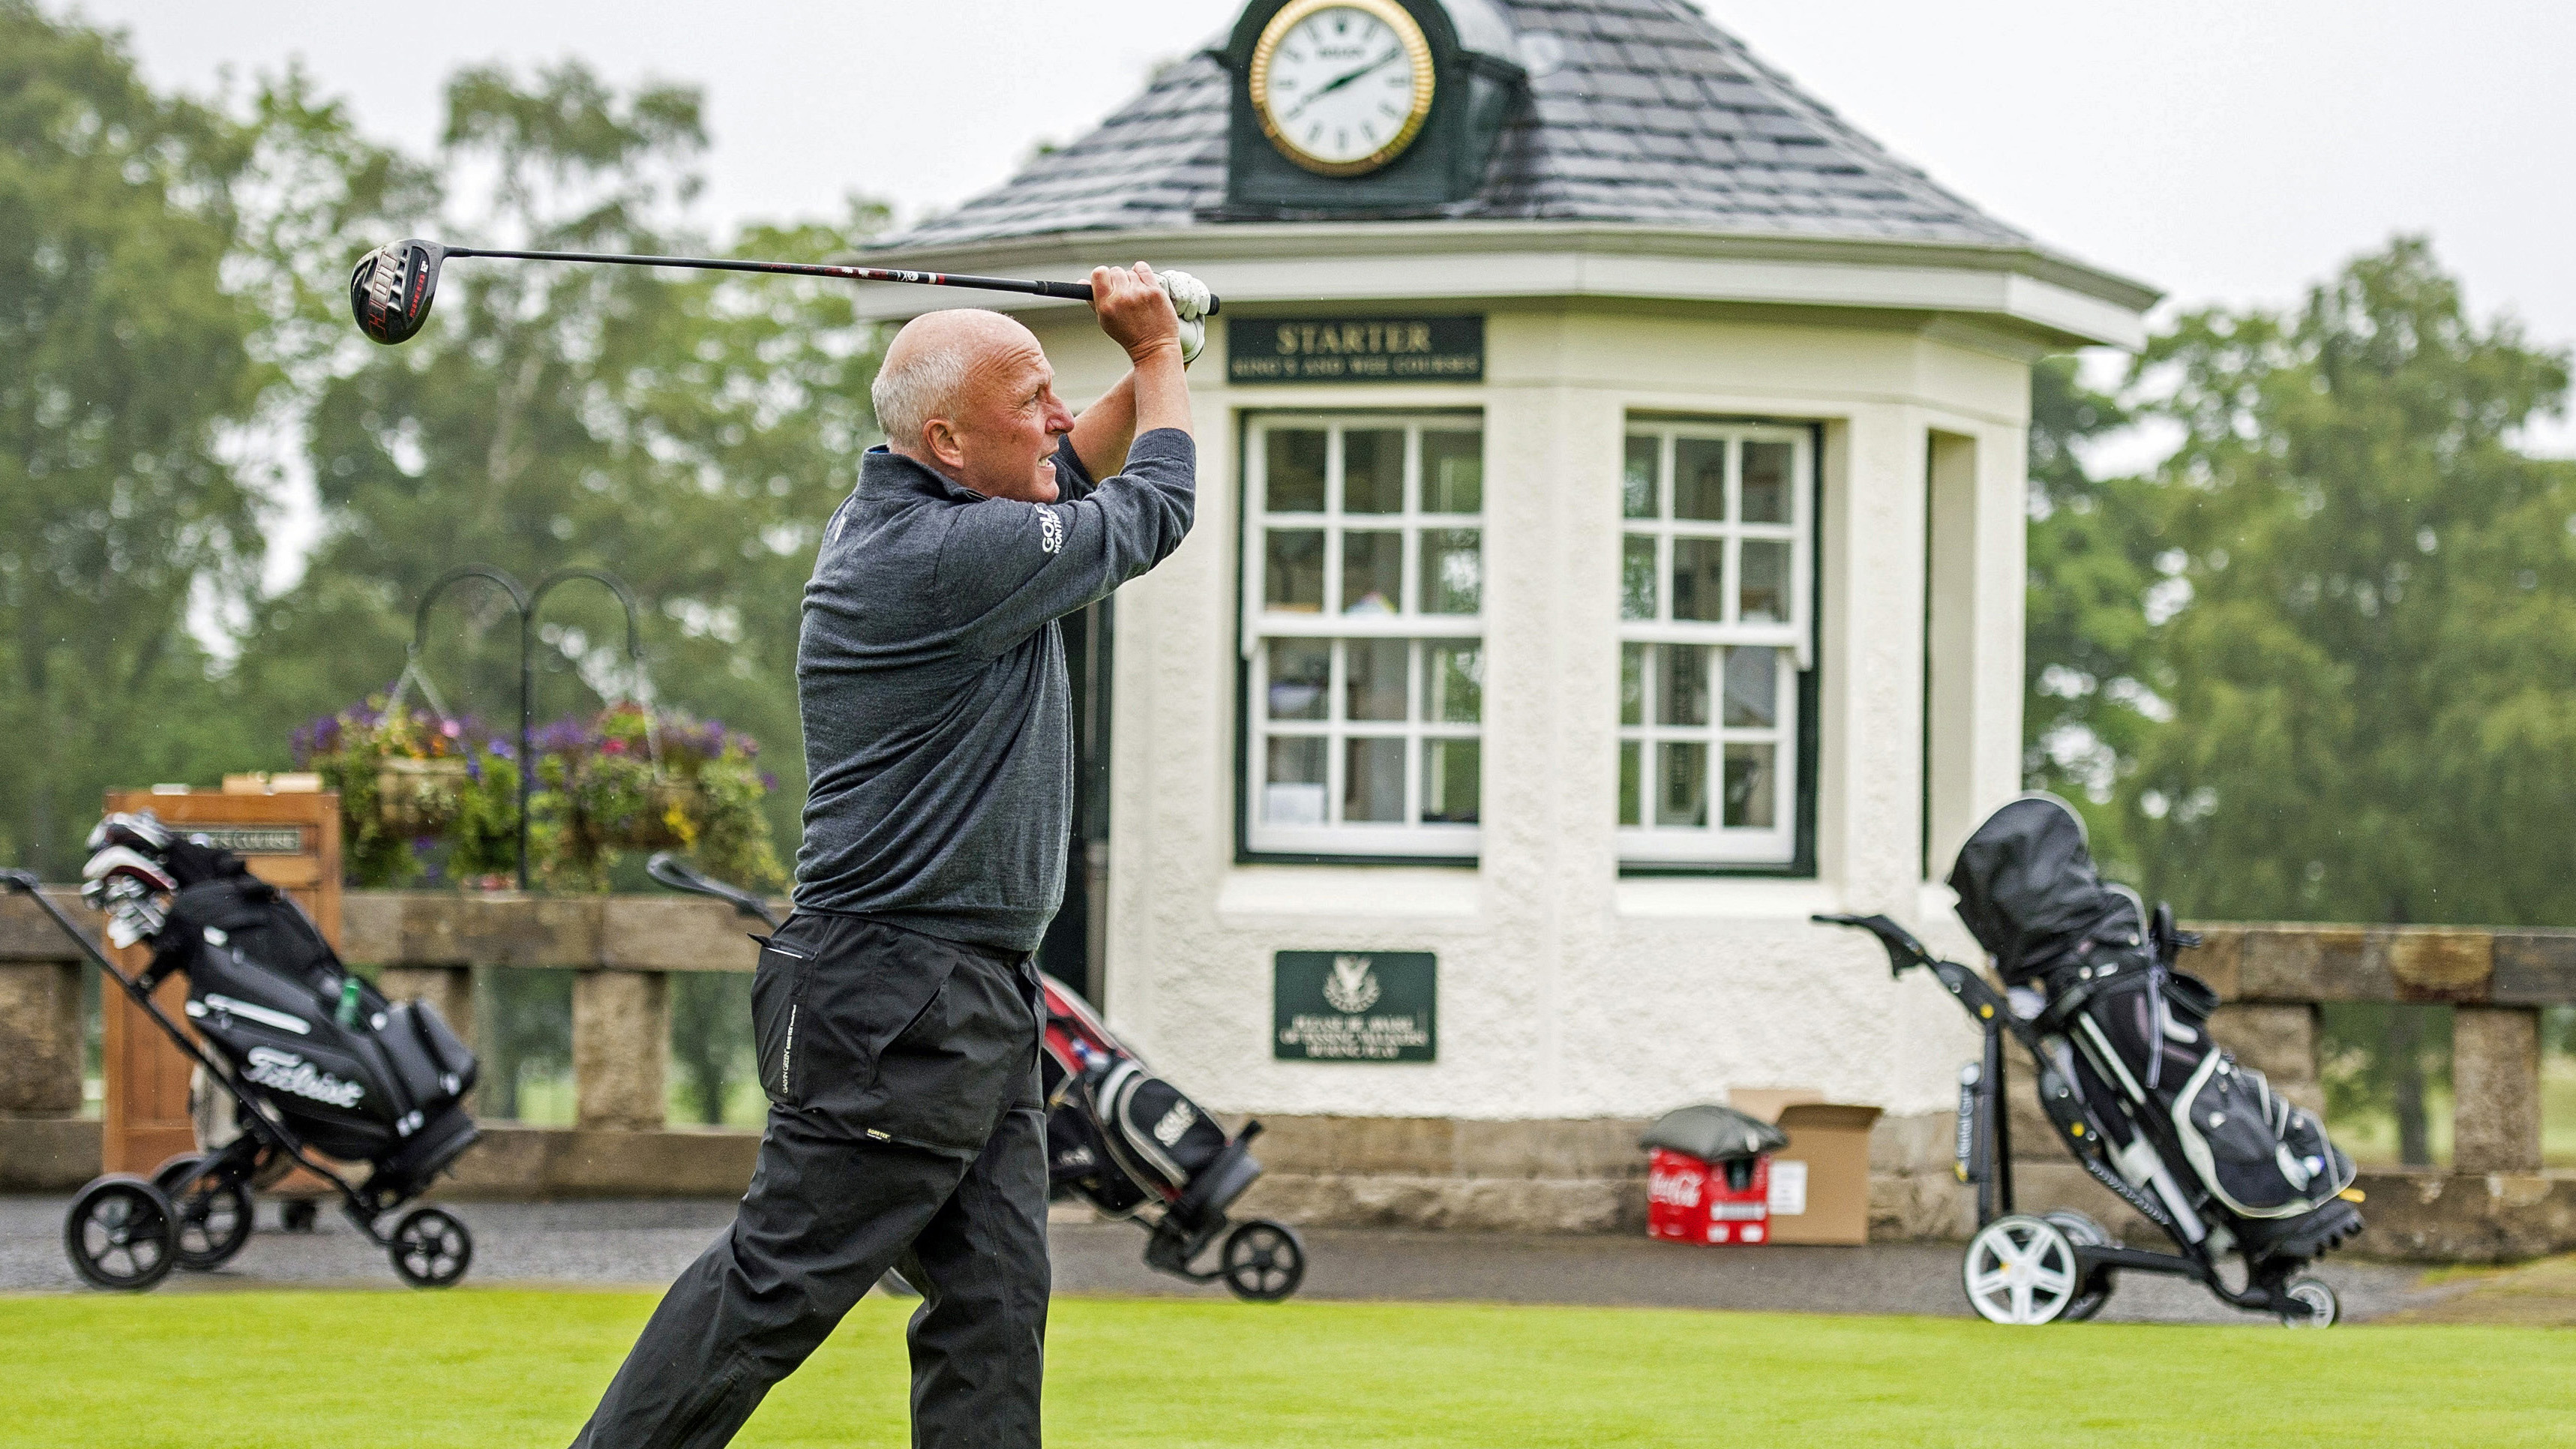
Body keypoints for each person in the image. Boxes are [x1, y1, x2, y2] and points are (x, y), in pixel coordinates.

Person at [568, 262, 1199, 1449]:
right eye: (1031, 398)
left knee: (993, 1307)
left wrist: (1161, 355)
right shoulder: (942, 560)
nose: (1058, 416)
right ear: (949, 440)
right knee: (776, 1287)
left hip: (963, 993)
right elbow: (1150, 510)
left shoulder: (952, 514)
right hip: (896, 998)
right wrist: (1159, 356)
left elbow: (1074, 468)